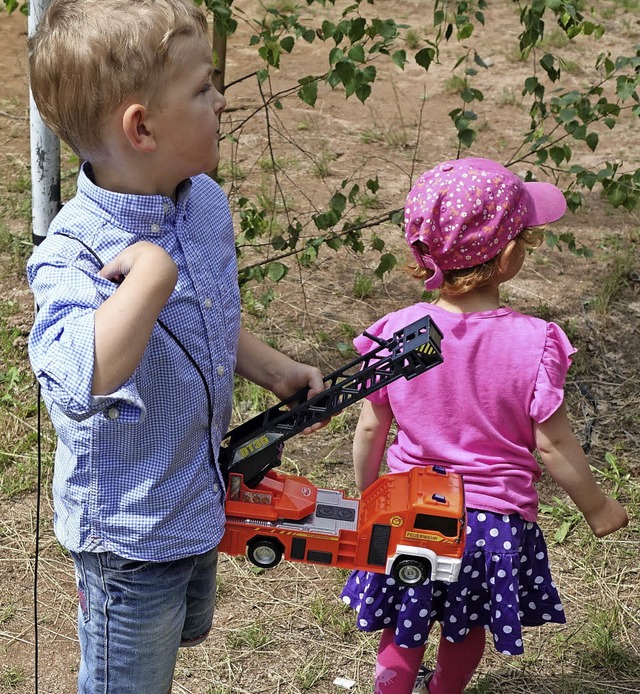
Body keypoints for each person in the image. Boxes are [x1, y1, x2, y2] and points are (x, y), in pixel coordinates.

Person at [26, 1, 325, 692]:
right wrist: (152, 276)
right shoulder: (74, 252)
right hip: (129, 537)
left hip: (195, 496)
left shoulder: (206, 204)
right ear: (142, 127)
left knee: (181, 638)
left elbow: (208, 319)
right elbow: (83, 376)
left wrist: (272, 368)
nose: (221, 100)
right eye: (202, 88)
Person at [340, 158, 629, 694]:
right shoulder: (534, 341)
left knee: (404, 625)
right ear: (508, 255)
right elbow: (553, 440)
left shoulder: (401, 332)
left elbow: (369, 430)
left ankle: (392, 688)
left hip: (408, 509)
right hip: (489, 527)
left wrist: (369, 497)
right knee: (464, 624)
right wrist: (597, 506)